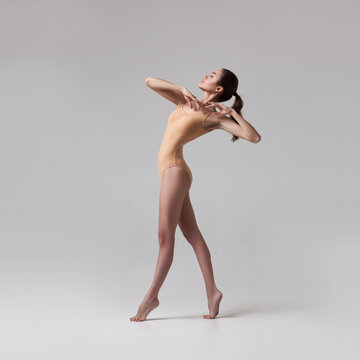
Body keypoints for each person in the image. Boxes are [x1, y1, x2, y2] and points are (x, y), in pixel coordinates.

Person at [130, 68, 261, 322]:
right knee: (192, 235)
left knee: (164, 237)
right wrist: (180, 89)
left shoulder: (213, 117)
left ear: (219, 88)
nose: (205, 75)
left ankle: (151, 298)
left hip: (175, 172)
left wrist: (232, 113)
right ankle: (212, 292)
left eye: (212, 75)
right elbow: (149, 80)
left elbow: (253, 137)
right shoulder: (184, 100)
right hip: (170, 172)